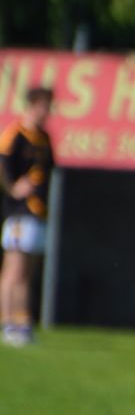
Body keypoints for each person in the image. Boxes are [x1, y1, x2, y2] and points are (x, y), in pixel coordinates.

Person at [0, 86, 55, 347]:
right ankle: (8, 321)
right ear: (32, 105)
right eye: (44, 105)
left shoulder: (44, 138)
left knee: (28, 271)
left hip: (37, 212)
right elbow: (2, 166)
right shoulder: (14, 135)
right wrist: (12, 188)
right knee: (14, 270)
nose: (48, 111)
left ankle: (22, 321)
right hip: (18, 213)